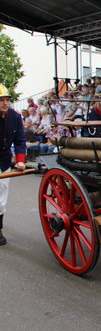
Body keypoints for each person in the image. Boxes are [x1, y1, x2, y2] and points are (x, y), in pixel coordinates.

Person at [0, 84, 27, 245]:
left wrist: (21, 160)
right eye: (1, 100)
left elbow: (20, 140)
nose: (5, 103)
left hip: (4, 162)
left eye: (7, 100)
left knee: (1, 199)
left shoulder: (15, 117)